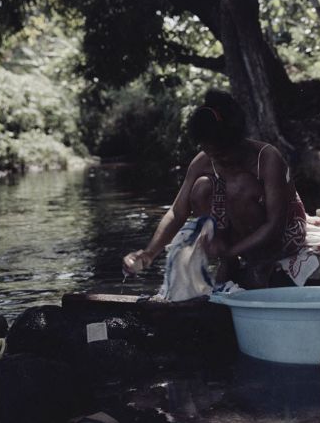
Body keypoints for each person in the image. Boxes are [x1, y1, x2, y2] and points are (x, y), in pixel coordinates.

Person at [123, 89, 309, 288]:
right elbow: (177, 212)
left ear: (237, 141)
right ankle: (228, 263)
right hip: (240, 237)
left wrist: (232, 250)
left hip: (281, 235)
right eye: (208, 151)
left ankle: (259, 264)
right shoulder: (204, 160)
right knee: (201, 187)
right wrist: (149, 253)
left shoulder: (267, 158)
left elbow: (275, 225)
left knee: (240, 187)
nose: (216, 158)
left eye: (221, 153)